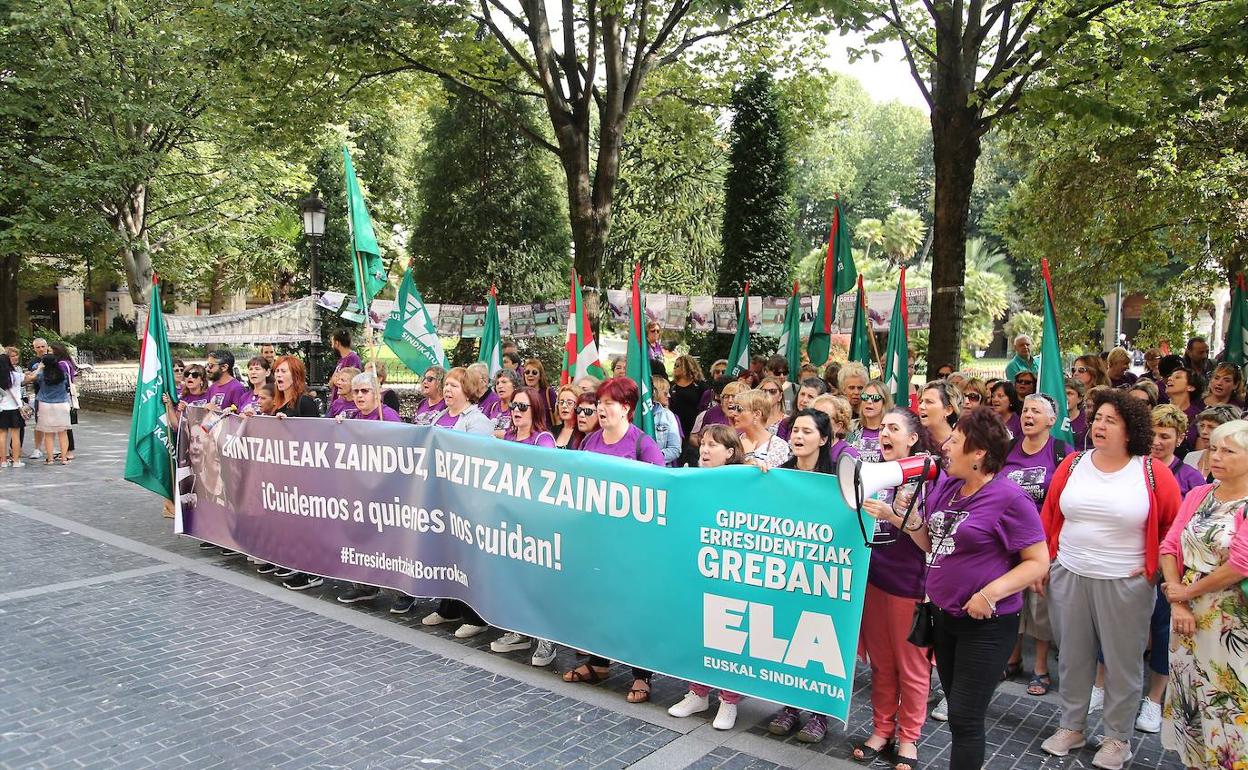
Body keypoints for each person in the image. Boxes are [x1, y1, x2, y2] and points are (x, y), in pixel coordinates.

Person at [875, 408, 1048, 770]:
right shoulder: (949, 487)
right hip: (945, 617)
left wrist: (990, 594)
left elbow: (1037, 562)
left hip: (986, 624)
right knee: (957, 711)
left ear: (980, 451)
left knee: (966, 718)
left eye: (955, 440)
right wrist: (901, 518)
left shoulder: (1009, 498)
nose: (946, 445)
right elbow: (930, 543)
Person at [1038, 389, 1181, 770]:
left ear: (1130, 429)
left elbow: (1173, 526)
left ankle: (1118, 738)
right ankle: (1072, 726)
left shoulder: (1153, 473)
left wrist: (1152, 569)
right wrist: (1046, 563)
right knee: (1072, 657)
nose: (1099, 425)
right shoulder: (1072, 464)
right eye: (1097, 417)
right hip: (1069, 573)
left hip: (1125, 582)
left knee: (1122, 664)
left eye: (1110, 420)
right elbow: (1051, 516)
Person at [562, 377, 664, 702]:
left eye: (609, 404)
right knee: (598, 600)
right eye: (599, 403)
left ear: (627, 408)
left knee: (634, 606)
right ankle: (598, 662)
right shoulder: (589, 441)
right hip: (597, 540)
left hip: (633, 545)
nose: (601, 409)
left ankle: (642, 675)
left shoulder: (642, 445)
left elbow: (661, 492)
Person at [1159, 419, 1248, 767]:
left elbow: (1240, 564)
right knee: (1190, 693)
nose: (1217, 456)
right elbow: (1170, 546)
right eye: (1214, 448)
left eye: (1229, 450)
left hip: (1230, 618)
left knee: (1229, 697)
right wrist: (1179, 599)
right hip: (1187, 613)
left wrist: (1182, 594)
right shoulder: (1199, 494)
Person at [853, 408, 937, 770]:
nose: (883, 433)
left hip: (910, 586)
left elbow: (928, 544)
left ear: (913, 439)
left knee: (912, 668)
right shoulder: (875, 472)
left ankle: (909, 738)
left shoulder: (931, 479)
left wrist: (895, 516)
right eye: (882, 427)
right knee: (882, 664)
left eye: (893, 428)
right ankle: (882, 729)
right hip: (875, 581)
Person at [765, 408, 841, 743]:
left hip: (824, 575)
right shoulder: (781, 474)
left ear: (824, 439)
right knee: (789, 638)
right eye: (795, 430)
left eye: (807, 432)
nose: (797, 436)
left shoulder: (840, 478)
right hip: (788, 573)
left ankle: (820, 715)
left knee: (822, 643)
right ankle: (790, 707)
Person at [668, 424, 747, 730]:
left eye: (714, 445)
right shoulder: (693, 478)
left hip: (729, 569)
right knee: (697, 629)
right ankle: (697, 692)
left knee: (728, 633)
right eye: (703, 443)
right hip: (698, 566)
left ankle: (729, 701)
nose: (705, 449)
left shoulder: (745, 482)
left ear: (730, 453)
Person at [999, 394, 1072, 694]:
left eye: (1036, 411)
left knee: (1041, 607)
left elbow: (1066, 503)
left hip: (1042, 542)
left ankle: (1040, 667)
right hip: (1006, 542)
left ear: (1052, 420)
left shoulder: (1061, 452)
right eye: (1026, 410)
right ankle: (1012, 658)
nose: (1028, 415)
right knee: (1011, 602)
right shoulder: (1007, 449)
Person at [487, 385, 558, 664]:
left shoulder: (543, 440)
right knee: (513, 578)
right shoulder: (506, 438)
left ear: (535, 410)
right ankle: (519, 631)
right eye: (514, 406)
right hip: (509, 520)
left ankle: (547, 638)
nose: (516, 411)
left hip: (535, 523)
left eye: (523, 407)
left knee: (537, 581)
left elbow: (547, 477)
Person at [421, 366, 493, 636]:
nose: (448, 390)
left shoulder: (477, 422)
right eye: (447, 385)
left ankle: (474, 616)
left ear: (468, 390)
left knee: (466, 557)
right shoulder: (439, 416)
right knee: (446, 553)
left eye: (454, 385)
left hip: (466, 501)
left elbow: (477, 460)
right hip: (441, 496)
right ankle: (448, 607)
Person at [333, 372, 403, 605]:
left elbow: (401, 450)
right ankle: (364, 585)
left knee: (389, 543)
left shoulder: (388, 416)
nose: (360, 396)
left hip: (385, 490)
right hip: (358, 489)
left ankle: (403, 593)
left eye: (365, 391)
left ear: (376, 393)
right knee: (361, 539)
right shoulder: (351, 416)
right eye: (356, 392)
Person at [260, 356, 324, 589]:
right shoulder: (278, 403)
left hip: (304, 475)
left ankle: (312, 572)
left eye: (284, 371)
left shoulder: (304, 401)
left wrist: (291, 424)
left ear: (296, 375)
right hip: (283, 474)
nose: (278, 375)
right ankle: (294, 563)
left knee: (306, 526)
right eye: (276, 371)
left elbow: (316, 436)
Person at [732, 388, 791, 468]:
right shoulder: (732, 441)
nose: (734, 413)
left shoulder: (778, 446)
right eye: (734, 408)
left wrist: (749, 456)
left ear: (757, 414)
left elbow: (770, 477)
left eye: (739, 409)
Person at [1183, 404, 1241, 480]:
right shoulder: (1190, 457)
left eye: (1211, 427)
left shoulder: (1233, 462)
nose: (1204, 431)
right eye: (1202, 426)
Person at [32, 354, 71, 465]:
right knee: (63, 433)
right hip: (62, 404)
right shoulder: (63, 374)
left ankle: (50, 459)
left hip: (45, 404)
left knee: (48, 433)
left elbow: (33, 378)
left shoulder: (41, 375)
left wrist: (39, 368)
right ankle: (64, 458)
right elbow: (67, 386)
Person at [848, 380, 891, 462]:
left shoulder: (891, 431)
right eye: (865, 397)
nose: (869, 401)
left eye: (875, 398)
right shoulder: (850, 427)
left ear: (884, 402)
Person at [1165, 366, 1206, 449]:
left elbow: (1198, 453)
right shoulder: (1157, 412)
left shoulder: (1199, 417)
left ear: (1190, 387)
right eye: (1170, 376)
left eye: (1177, 377)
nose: (1169, 378)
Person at [918, 380, 961, 455]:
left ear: (948, 410)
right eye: (921, 402)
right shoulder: (915, 439)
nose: (921, 406)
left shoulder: (962, 443)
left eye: (929, 402)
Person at [669, 355, 708, 436]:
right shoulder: (671, 385)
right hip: (675, 427)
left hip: (694, 427)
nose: (675, 368)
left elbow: (705, 406)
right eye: (674, 365)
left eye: (678, 365)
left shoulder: (700, 385)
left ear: (688, 366)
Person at [650, 376, 682, 465]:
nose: (669, 395)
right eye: (665, 393)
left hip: (661, 470)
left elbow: (675, 449)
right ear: (654, 393)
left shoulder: (668, 416)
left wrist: (652, 457)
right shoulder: (632, 414)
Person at [0, 352, 24, 467]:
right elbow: (28, 379)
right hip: (14, 408)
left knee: (2, 435)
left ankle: (3, 461)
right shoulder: (16, 375)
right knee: (15, 435)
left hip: (1, 408)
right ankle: (16, 461)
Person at [487, 369, 521, 437]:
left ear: (514, 385)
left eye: (504, 382)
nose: (500, 386)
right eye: (497, 383)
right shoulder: (492, 407)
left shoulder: (521, 407)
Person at [329, 329, 361, 400]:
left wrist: (336, 380)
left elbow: (352, 381)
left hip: (346, 402)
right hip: (337, 401)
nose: (332, 346)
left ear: (337, 343)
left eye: (332, 343)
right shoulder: (341, 360)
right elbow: (331, 383)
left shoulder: (353, 358)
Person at [1066, 378, 1089, 448]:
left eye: (1069, 393)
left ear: (1079, 398)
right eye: (1061, 393)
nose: (1065, 397)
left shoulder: (1087, 421)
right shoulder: (1050, 419)